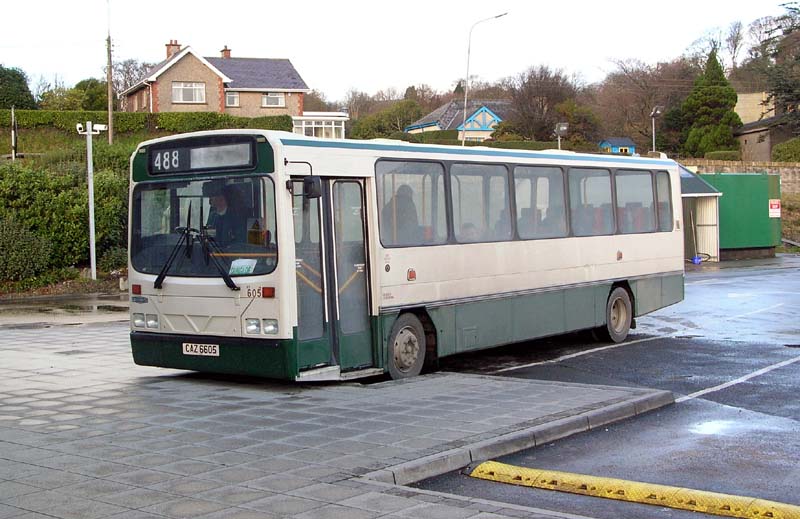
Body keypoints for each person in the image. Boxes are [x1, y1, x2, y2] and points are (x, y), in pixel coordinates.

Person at [204, 182, 245, 246]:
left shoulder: (235, 217)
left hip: (228, 253)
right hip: (212, 251)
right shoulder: (212, 216)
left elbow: (240, 240)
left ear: (222, 199)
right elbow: (209, 234)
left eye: (213, 196)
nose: (210, 199)